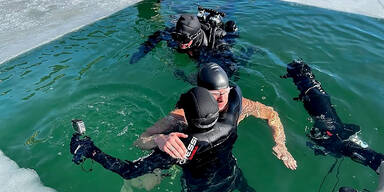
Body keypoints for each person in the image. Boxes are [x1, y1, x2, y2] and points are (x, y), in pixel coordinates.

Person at [70, 87, 256, 192]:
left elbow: (129, 171)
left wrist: (91, 151)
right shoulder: (229, 122)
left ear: (187, 116)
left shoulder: (180, 146)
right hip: (233, 177)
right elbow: (236, 91)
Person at [135, 62, 298, 170]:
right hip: (196, 162)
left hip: (226, 157)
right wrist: (159, 139)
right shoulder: (182, 114)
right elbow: (140, 141)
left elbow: (272, 114)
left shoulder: (240, 105)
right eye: (214, 94)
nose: (221, 98)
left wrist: (280, 144)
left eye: (225, 92)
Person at [281, 60, 384, 191]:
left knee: (319, 102)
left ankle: (298, 71)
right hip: (330, 125)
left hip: (330, 123)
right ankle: (298, 71)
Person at [129, 6, 248, 78]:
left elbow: (232, 67)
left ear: (195, 36)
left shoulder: (211, 46)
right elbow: (158, 35)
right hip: (195, 31)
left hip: (219, 37)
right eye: (177, 37)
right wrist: (142, 51)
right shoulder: (176, 34)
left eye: (185, 39)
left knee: (231, 32)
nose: (181, 43)